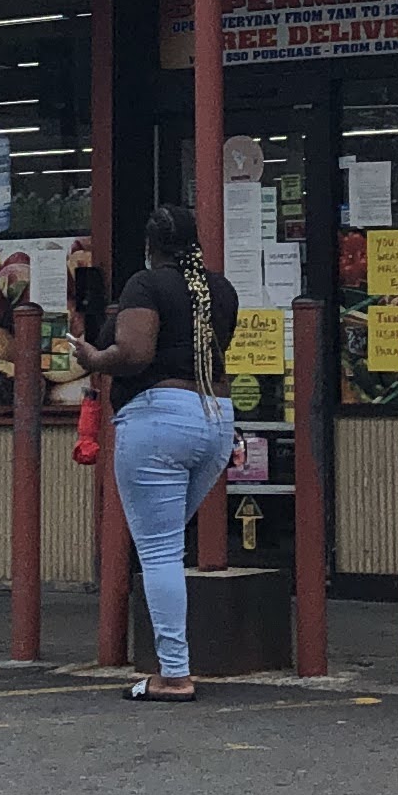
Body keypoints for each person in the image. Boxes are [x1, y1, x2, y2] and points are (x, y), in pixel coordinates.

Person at [101, 201, 242, 702]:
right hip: (216, 419)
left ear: (151, 245)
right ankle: (171, 667)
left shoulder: (146, 283)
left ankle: (174, 674)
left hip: (158, 417)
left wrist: (92, 356)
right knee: (165, 544)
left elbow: (135, 353)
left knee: (160, 552)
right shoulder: (220, 289)